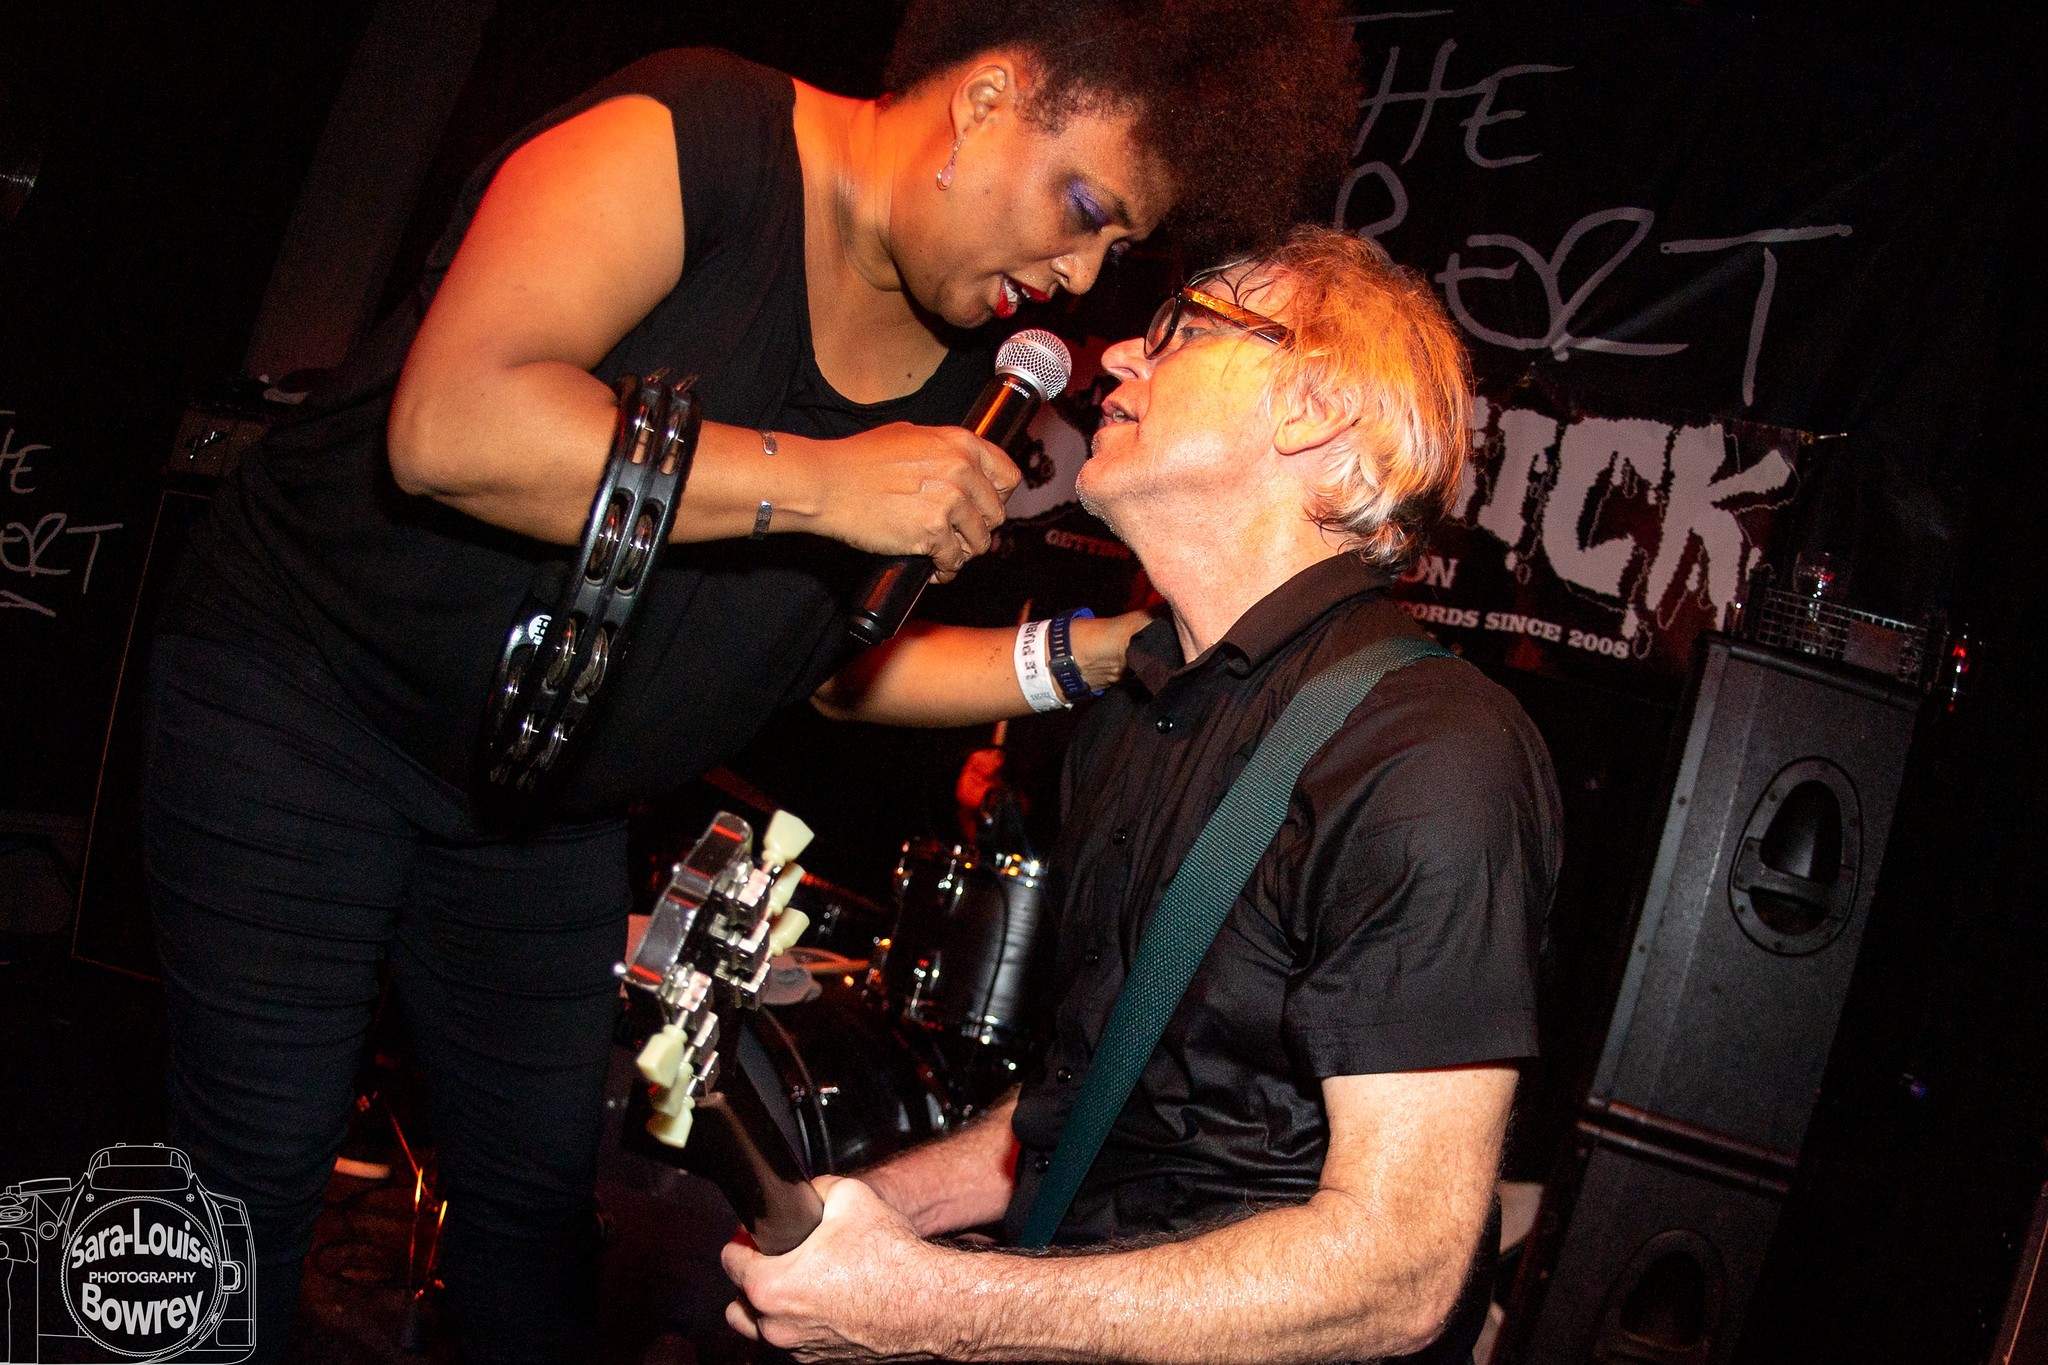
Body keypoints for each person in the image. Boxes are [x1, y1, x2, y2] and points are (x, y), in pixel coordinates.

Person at [142, 4, 1358, 1359]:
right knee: (252, 1177)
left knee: (534, 1216)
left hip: (542, 808)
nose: (1079, 276)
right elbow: (454, 426)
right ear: (987, 100)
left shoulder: (972, 377)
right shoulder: (693, 138)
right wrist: (828, 484)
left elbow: (829, 678)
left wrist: (1098, 654)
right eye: (1084, 209)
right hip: (310, 706)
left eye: (1114, 250)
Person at [721, 226, 1564, 1365]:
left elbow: (1398, 1269)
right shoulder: (1132, 715)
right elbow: (1090, 1100)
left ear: (1313, 410)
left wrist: (928, 1307)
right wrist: (869, 1214)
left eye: (1180, 332)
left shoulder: (1428, 749)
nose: (1117, 354)